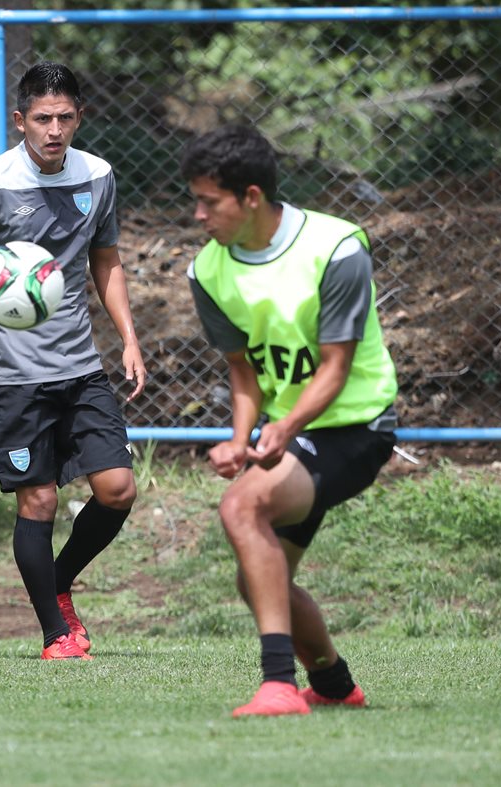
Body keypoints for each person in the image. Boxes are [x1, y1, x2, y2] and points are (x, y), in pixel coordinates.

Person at [182, 125, 398, 716]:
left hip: (355, 427)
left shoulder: (336, 248)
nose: (198, 214)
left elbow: (335, 367)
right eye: (195, 200)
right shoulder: (208, 272)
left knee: (240, 508)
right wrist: (238, 440)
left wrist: (281, 429)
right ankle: (333, 686)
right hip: (291, 434)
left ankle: (277, 685)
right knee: (257, 583)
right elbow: (243, 372)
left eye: (210, 202)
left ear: (252, 197)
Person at [0, 61, 147, 660]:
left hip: (80, 367)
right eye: (41, 119)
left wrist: (129, 338)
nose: (53, 130)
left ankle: (56, 584)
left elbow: (106, 259)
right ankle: (56, 633)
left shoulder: (98, 176)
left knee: (117, 490)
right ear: (20, 121)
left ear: (79, 118)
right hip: (12, 376)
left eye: (64, 118)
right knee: (39, 501)